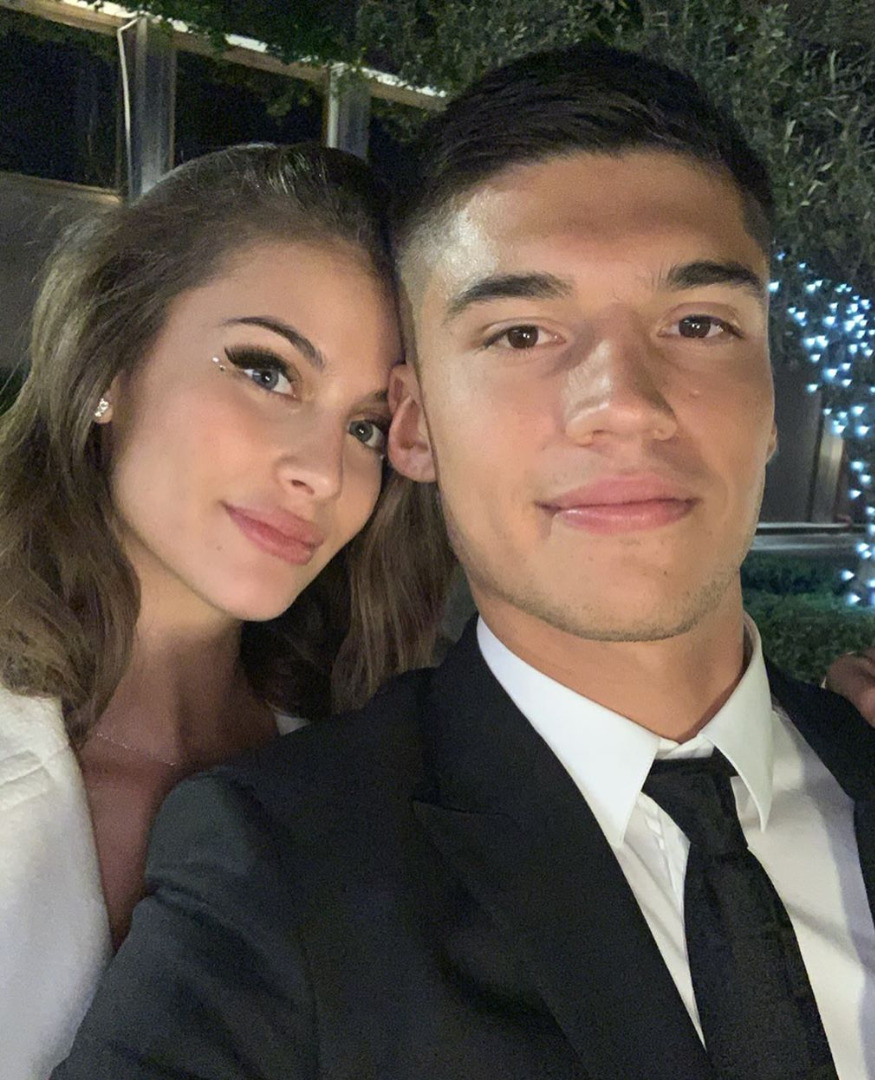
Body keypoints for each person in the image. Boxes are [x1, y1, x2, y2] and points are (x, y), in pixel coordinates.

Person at [51, 44, 875, 1080]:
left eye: (698, 323)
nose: (624, 404)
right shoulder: (279, 870)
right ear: (417, 426)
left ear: (771, 398)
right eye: (521, 334)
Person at [0, 142, 452, 1080]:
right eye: (267, 371)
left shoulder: (374, 765)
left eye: (365, 427)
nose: (321, 471)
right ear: (110, 359)